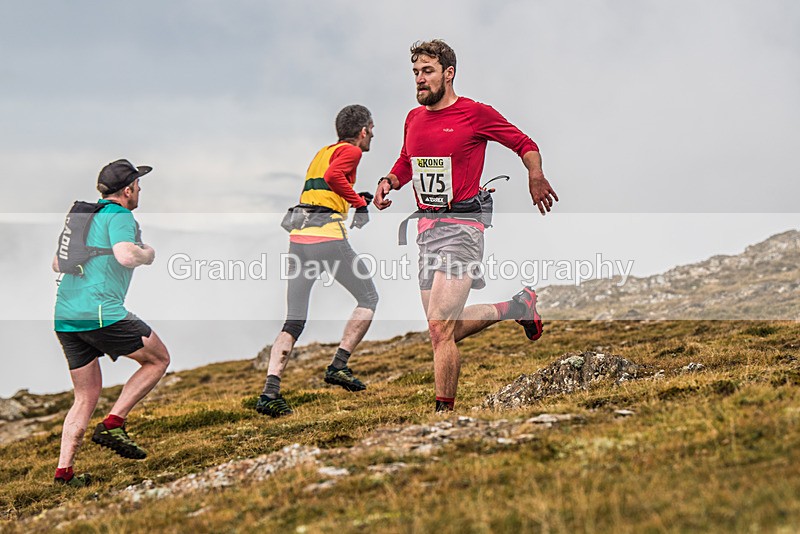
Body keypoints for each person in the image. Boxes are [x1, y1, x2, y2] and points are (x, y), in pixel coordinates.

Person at [373, 40, 558, 413]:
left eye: (427, 72)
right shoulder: (413, 118)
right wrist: (390, 181)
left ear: (448, 73)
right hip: (428, 230)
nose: (420, 80)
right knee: (443, 328)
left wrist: (535, 174)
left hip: (463, 226)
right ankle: (517, 307)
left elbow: (524, 143)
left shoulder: (474, 114)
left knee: (440, 327)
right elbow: (407, 160)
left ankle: (443, 416)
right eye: (415, 73)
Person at [255, 104, 379, 418]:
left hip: (298, 241)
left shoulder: (323, 151)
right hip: (326, 238)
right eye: (372, 129)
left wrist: (355, 198)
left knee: (294, 320)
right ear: (362, 130)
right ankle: (339, 365)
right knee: (368, 297)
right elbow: (334, 177)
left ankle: (270, 391)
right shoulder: (352, 152)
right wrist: (359, 206)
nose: (373, 135)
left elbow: (323, 188)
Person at [52, 159, 170, 486]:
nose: (140, 190)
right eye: (138, 185)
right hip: (100, 311)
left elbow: (56, 263)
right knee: (158, 359)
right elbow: (126, 256)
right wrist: (148, 253)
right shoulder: (120, 215)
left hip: (66, 315)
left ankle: (65, 473)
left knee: (85, 395)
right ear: (128, 189)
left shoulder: (85, 218)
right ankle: (113, 424)